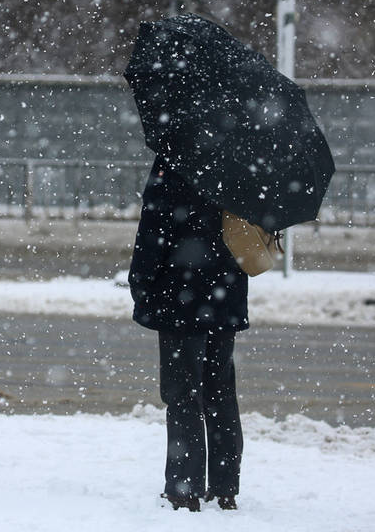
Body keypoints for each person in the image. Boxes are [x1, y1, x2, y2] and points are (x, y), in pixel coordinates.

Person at [128, 154, 249, 513]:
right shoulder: (240, 159)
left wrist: (141, 282)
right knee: (220, 390)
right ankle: (225, 487)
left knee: (183, 393)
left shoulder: (175, 157)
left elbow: (154, 227)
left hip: (182, 294)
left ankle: (185, 488)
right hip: (226, 291)